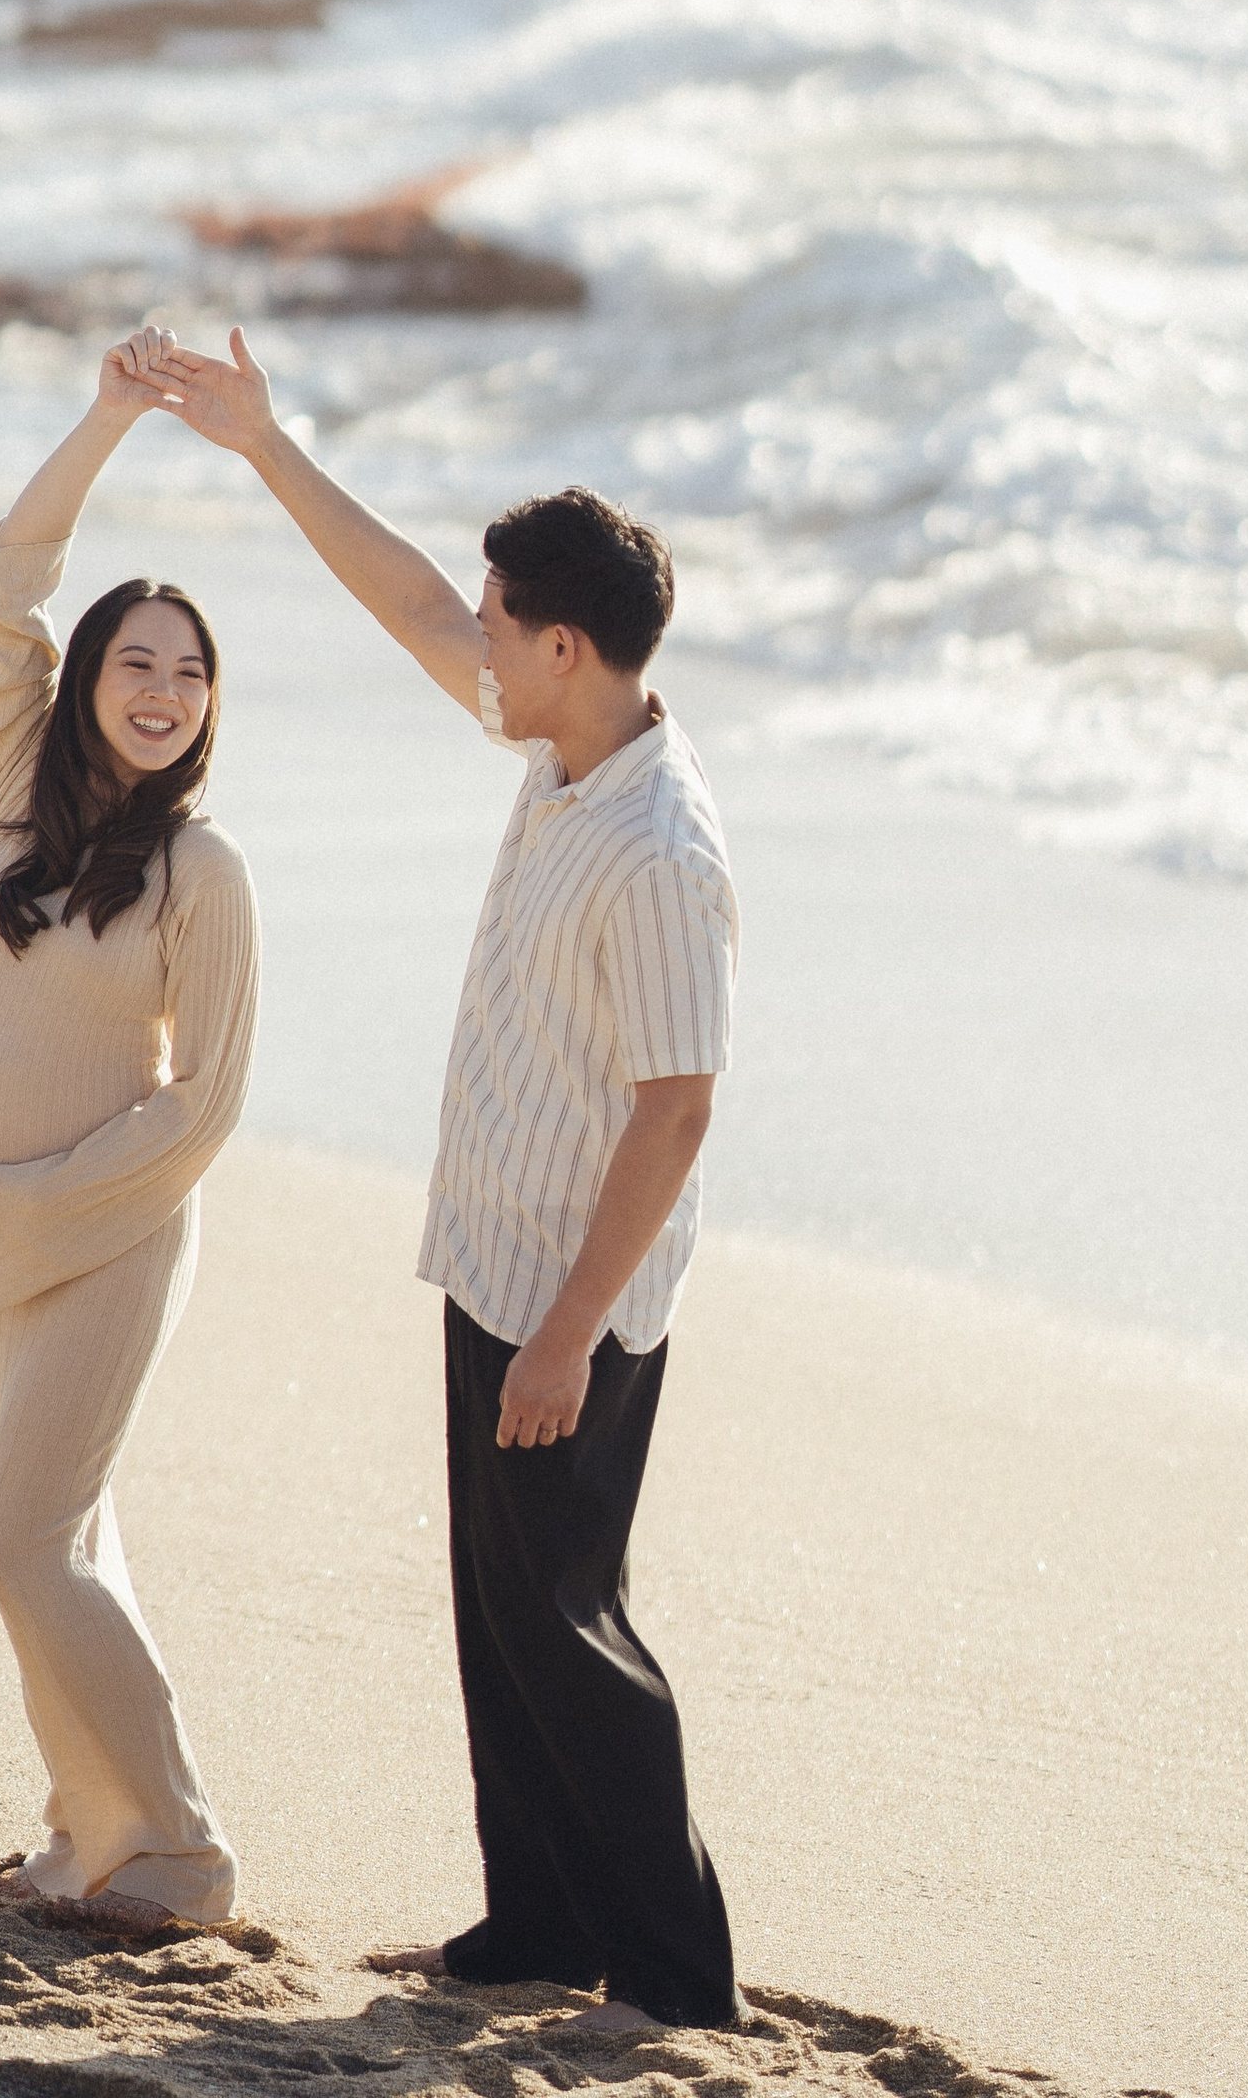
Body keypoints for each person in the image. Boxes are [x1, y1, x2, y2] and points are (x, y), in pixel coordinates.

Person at [158, 324, 741, 2036]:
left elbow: (678, 1112)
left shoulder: (659, 849)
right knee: (502, 1624)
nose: (470, 636)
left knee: (572, 1631)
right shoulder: (564, 741)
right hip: (497, 1262)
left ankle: (680, 1980)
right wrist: (269, 447)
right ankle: (539, 1928)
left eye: (501, 621)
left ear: (567, 646)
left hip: (577, 1299)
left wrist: (567, 1337)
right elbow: (410, 598)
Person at [0, 325, 259, 1931]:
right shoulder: (14, 795)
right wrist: (110, 416)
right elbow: (3, 587)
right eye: (138, 661)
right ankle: (90, 1829)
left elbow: (207, 1101)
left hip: (107, 1236)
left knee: (22, 1542)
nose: (164, 692)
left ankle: (184, 1851)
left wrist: (42, 1200)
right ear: (89, 685)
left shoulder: (206, 876)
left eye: (191, 673)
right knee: (66, 1543)